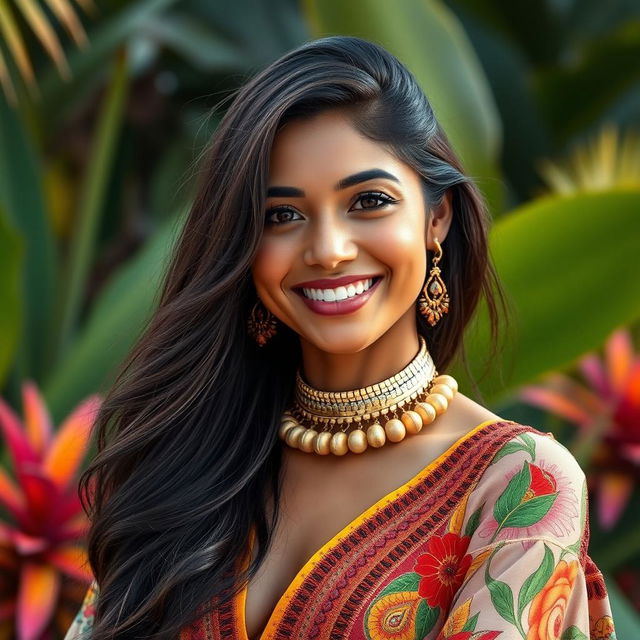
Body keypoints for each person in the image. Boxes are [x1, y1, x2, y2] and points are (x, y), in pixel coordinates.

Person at [63, 36, 616, 640]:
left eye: (369, 202)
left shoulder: (520, 485)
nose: (328, 250)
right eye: (282, 215)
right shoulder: (190, 458)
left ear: (437, 217)